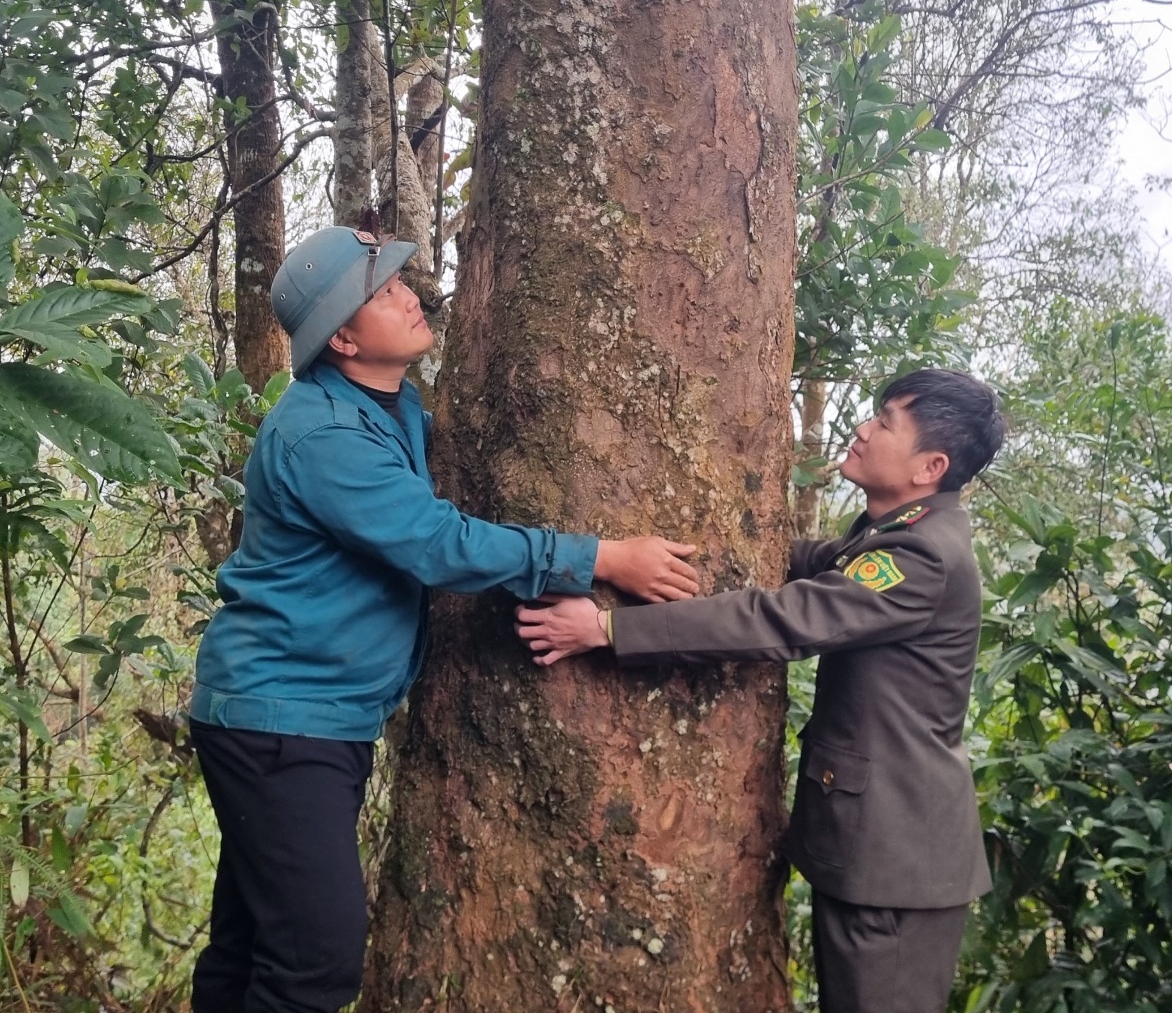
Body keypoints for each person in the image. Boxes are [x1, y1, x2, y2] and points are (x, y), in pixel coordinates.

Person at [189, 225, 700, 1013]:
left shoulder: (389, 407)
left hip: (306, 716)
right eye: (381, 293)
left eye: (400, 281)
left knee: (251, 942)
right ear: (346, 341)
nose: (407, 294)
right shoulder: (322, 432)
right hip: (282, 722)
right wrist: (601, 558)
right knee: (314, 966)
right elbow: (436, 544)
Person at [516, 368, 1006, 1013]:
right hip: (877, 849)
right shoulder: (898, 534)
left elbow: (783, 619)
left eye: (885, 423)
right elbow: (820, 566)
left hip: (895, 862)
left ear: (929, 466)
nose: (862, 428)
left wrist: (609, 627)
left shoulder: (922, 555)